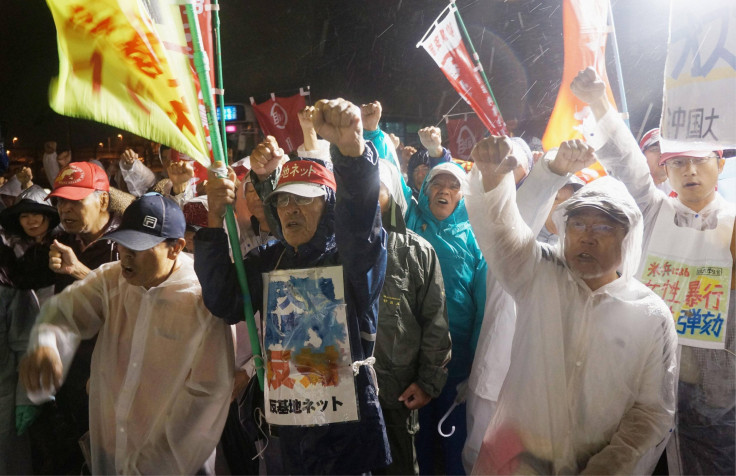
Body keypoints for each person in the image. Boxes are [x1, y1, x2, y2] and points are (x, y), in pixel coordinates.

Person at [195, 98, 391, 474]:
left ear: (330, 206)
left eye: (304, 200)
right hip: (284, 436)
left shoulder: (351, 261)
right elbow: (224, 301)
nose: (290, 210)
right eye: (283, 201)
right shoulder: (273, 260)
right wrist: (212, 222)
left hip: (344, 439)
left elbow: (360, 229)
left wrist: (352, 154)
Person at [467, 136, 678, 474]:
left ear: (629, 237)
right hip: (518, 461)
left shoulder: (650, 315)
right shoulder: (540, 275)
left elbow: (652, 410)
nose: (586, 236)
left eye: (604, 227)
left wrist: (606, 466)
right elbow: (503, 234)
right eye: (577, 224)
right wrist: (493, 180)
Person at [571, 66, 736, 475]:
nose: (689, 172)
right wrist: (598, 103)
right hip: (644, 383)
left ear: (719, 164)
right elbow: (626, 163)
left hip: (718, 397)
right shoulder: (652, 213)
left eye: (699, 162)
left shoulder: (734, 225)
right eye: (677, 163)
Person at [19, 193, 234, 474]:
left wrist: (152, 466)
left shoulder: (202, 300)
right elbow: (66, 310)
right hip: (112, 450)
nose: (126, 256)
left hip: (171, 465)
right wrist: (46, 344)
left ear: (175, 247)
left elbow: (206, 396)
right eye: (122, 244)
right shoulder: (112, 279)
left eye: (140, 247)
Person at [27, 161, 123, 474]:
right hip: (73, 376)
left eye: (76, 201)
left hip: (116, 376)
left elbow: (136, 305)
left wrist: (79, 271)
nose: (65, 210)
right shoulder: (63, 240)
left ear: (103, 200)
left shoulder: (129, 244)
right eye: (60, 202)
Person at [405, 161, 486, 475]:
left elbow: (483, 309)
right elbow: (384, 184)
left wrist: (476, 368)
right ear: (426, 190)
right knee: (417, 446)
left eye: (454, 186)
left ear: (462, 195)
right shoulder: (408, 221)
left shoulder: (476, 238)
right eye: (438, 183)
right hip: (411, 359)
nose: (445, 190)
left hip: (456, 362)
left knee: (455, 449)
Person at [374, 161, 452, 475]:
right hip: (341, 396)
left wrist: (427, 383)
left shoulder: (417, 252)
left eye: (374, 188)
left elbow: (436, 324)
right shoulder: (332, 249)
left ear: (390, 196)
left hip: (395, 393)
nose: (363, 196)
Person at [406, 127, 452, 200]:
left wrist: (435, 150)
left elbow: (444, 172)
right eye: (416, 170)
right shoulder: (407, 201)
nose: (420, 174)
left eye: (425, 169)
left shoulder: (445, 202)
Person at [639, 128, 674, 196]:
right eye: (655, 149)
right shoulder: (633, 189)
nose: (662, 154)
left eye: (666, 149)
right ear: (641, 156)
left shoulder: (682, 191)